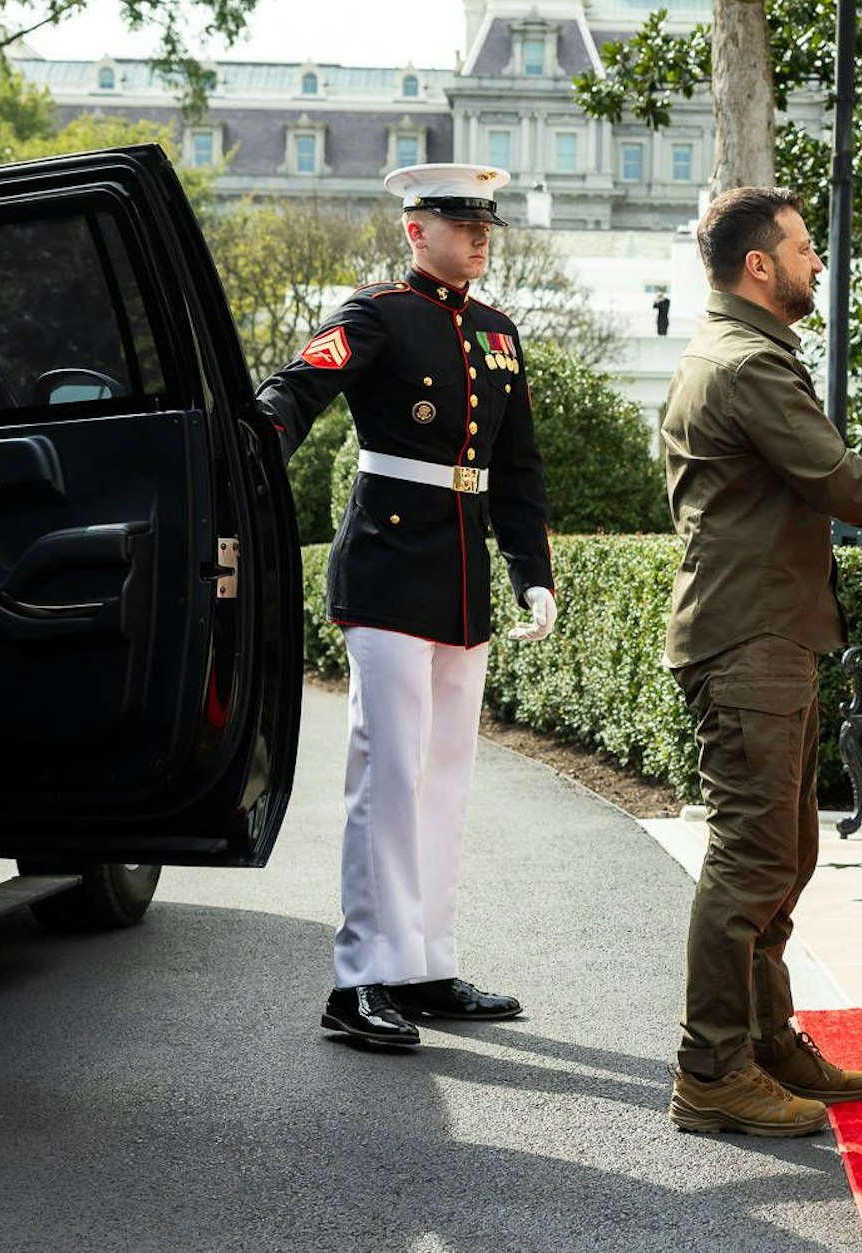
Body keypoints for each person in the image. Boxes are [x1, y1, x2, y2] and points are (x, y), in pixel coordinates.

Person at [662, 186, 862, 1137]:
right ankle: (711, 1068)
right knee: (751, 859)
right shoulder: (749, 363)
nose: (818, 263)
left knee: (784, 852)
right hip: (751, 641)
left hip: (765, 633)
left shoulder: (739, 353)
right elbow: (832, 477)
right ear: (761, 266)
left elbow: (816, 474)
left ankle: (764, 1037)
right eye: (803, 249)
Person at [257, 163, 557, 1049]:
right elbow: (298, 387)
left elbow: (520, 470)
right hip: (389, 567)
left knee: (444, 782)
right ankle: (359, 980)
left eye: (485, 225)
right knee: (387, 777)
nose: (479, 238)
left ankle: (423, 963)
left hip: (461, 576)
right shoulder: (378, 311)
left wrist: (529, 569)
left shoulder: (499, 333)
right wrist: (252, 444)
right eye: (461, 223)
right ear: (414, 228)